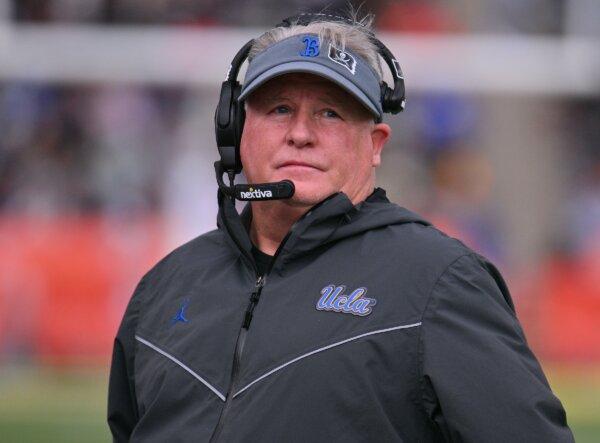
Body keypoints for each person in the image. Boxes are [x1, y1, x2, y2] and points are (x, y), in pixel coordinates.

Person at [107, 12, 574, 442]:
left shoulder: (439, 281)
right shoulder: (164, 288)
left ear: (375, 144)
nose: (301, 133)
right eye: (279, 109)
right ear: (235, 129)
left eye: (329, 112)